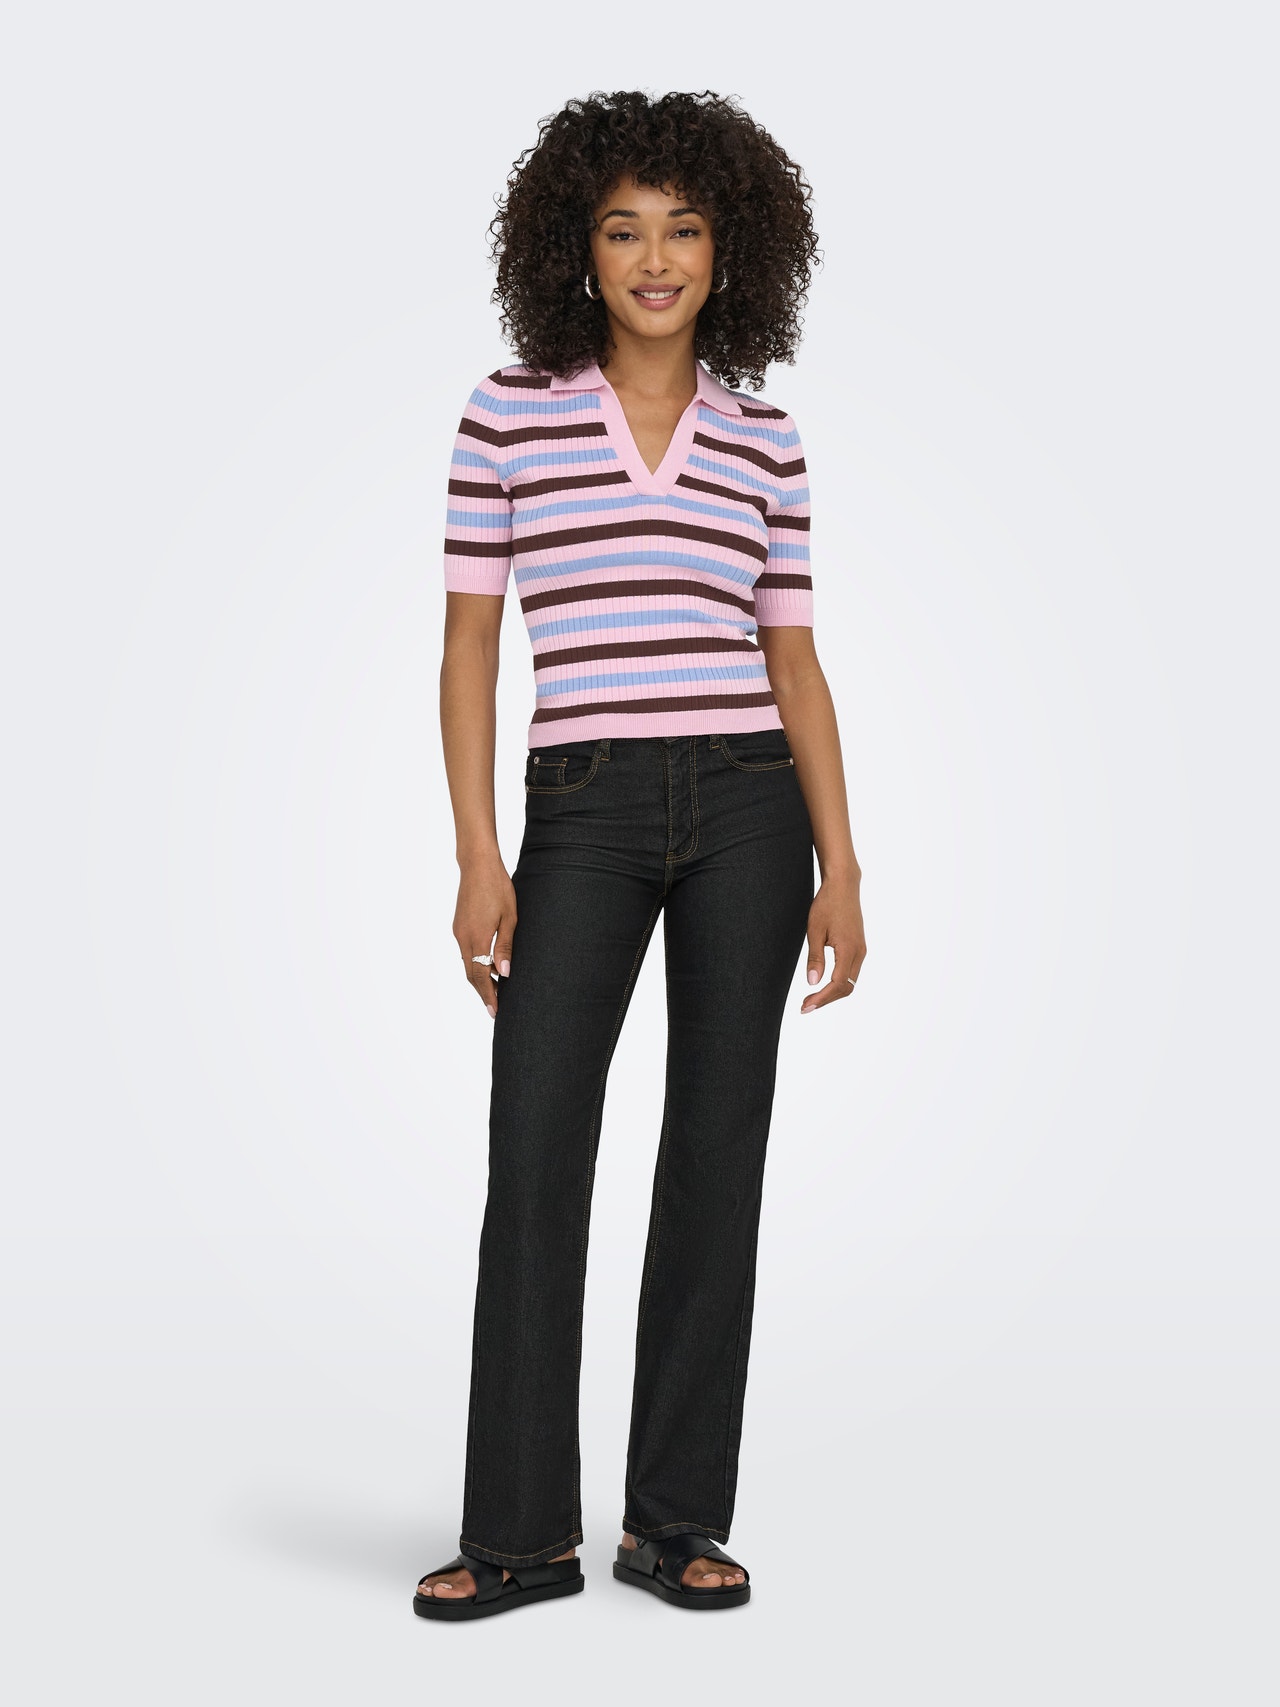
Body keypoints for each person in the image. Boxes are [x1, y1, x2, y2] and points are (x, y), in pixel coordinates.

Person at [414, 89, 866, 1620]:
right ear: (578, 247)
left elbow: (795, 662)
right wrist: (480, 856)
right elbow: (470, 649)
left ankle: (672, 1523)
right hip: (585, 808)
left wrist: (845, 867)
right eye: (623, 231)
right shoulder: (509, 415)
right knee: (536, 1153)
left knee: (715, 1160)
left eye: (684, 229)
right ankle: (520, 1535)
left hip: (752, 810)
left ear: (731, 250)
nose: (655, 259)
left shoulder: (765, 439)